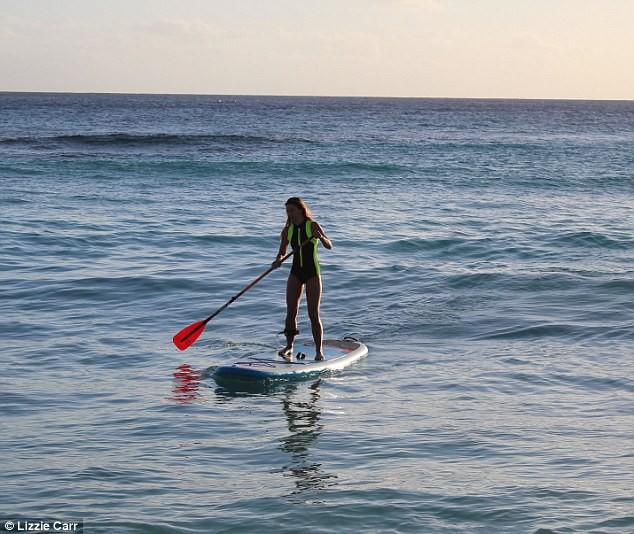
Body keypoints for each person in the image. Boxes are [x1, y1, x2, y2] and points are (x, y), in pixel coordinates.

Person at [272, 197, 332, 361]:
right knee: (291, 311)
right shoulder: (287, 230)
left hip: (312, 272)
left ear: (300, 209)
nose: (289, 213)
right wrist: (278, 259)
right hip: (295, 272)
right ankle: (289, 346)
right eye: (287, 211)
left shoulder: (312, 225)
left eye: (291, 210)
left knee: (313, 313)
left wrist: (320, 237)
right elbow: (282, 251)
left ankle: (319, 351)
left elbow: (329, 245)